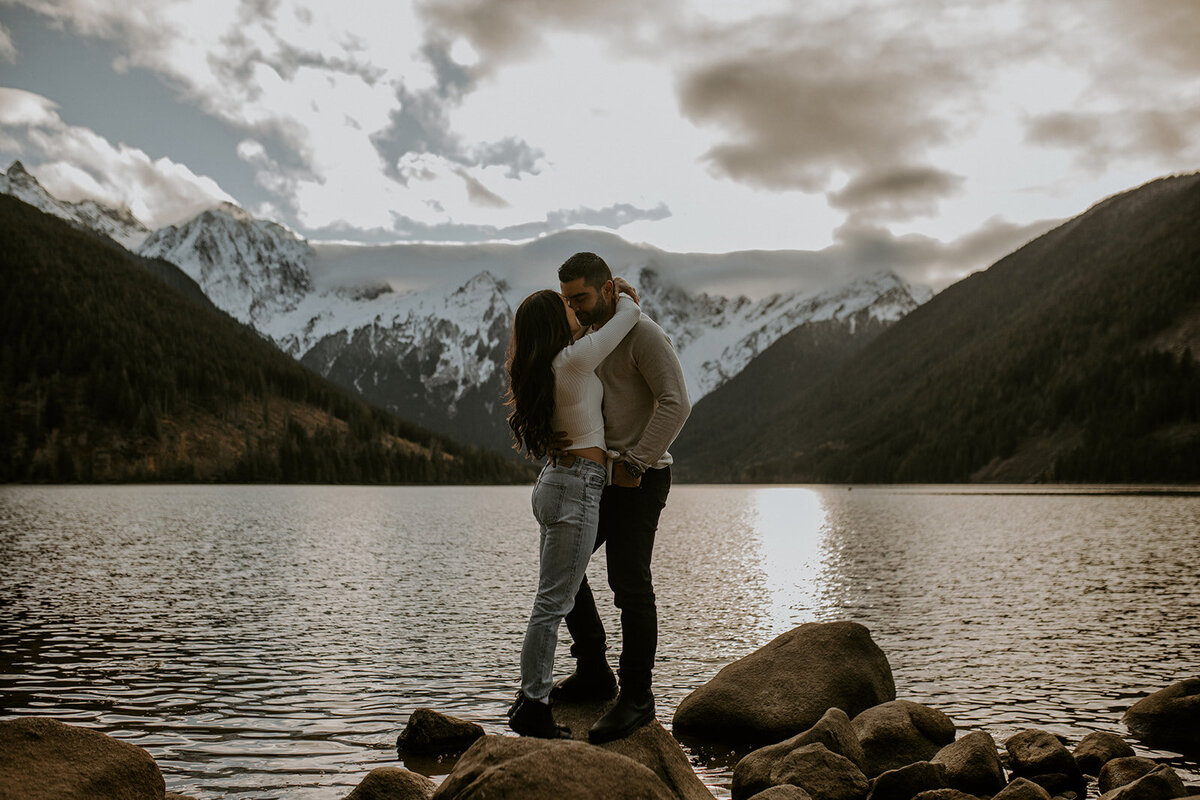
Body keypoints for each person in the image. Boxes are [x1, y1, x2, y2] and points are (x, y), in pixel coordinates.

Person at [553, 252, 690, 744]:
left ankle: (637, 698)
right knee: (563, 569)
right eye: (568, 300)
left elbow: (677, 401)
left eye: (582, 298)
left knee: (629, 583)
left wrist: (635, 463)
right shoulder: (589, 332)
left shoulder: (644, 334)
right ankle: (594, 672)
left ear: (608, 289)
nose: (575, 308)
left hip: (641, 476)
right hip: (595, 477)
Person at [503, 277, 642, 738]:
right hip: (577, 487)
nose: (573, 310)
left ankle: (544, 691)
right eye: (564, 306)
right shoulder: (575, 360)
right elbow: (628, 319)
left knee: (552, 597)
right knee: (552, 603)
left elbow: (588, 337)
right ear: (553, 323)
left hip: (554, 481)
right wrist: (620, 294)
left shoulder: (544, 364)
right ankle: (534, 705)